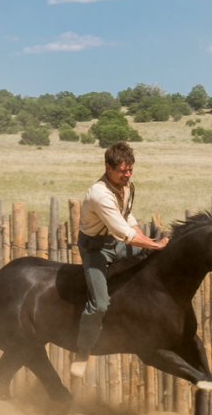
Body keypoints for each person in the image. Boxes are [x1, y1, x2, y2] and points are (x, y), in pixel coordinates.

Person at [71, 141, 168, 377]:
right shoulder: (100, 194)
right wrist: (154, 244)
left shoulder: (124, 187)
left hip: (114, 241)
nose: (127, 174)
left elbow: (127, 215)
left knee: (149, 261)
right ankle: (82, 352)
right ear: (108, 168)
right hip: (95, 248)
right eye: (123, 170)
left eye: (130, 169)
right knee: (99, 304)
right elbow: (124, 233)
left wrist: (147, 242)